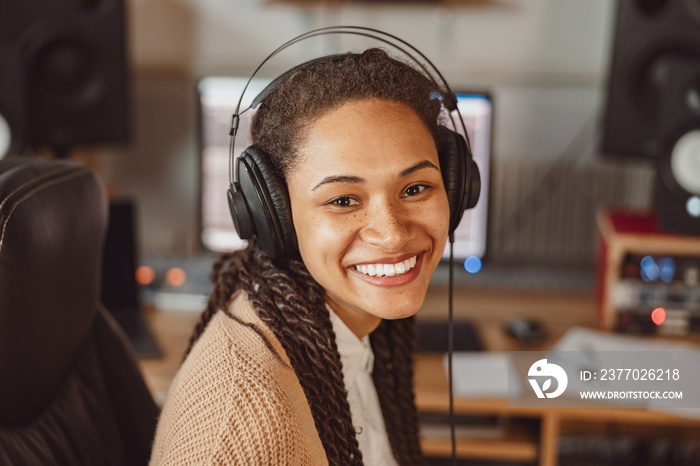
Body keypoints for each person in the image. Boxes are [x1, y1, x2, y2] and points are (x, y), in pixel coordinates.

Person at [150, 48, 455, 465]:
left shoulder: (355, 329)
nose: (392, 233)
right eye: (344, 199)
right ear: (275, 216)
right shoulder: (239, 432)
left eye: (416, 188)